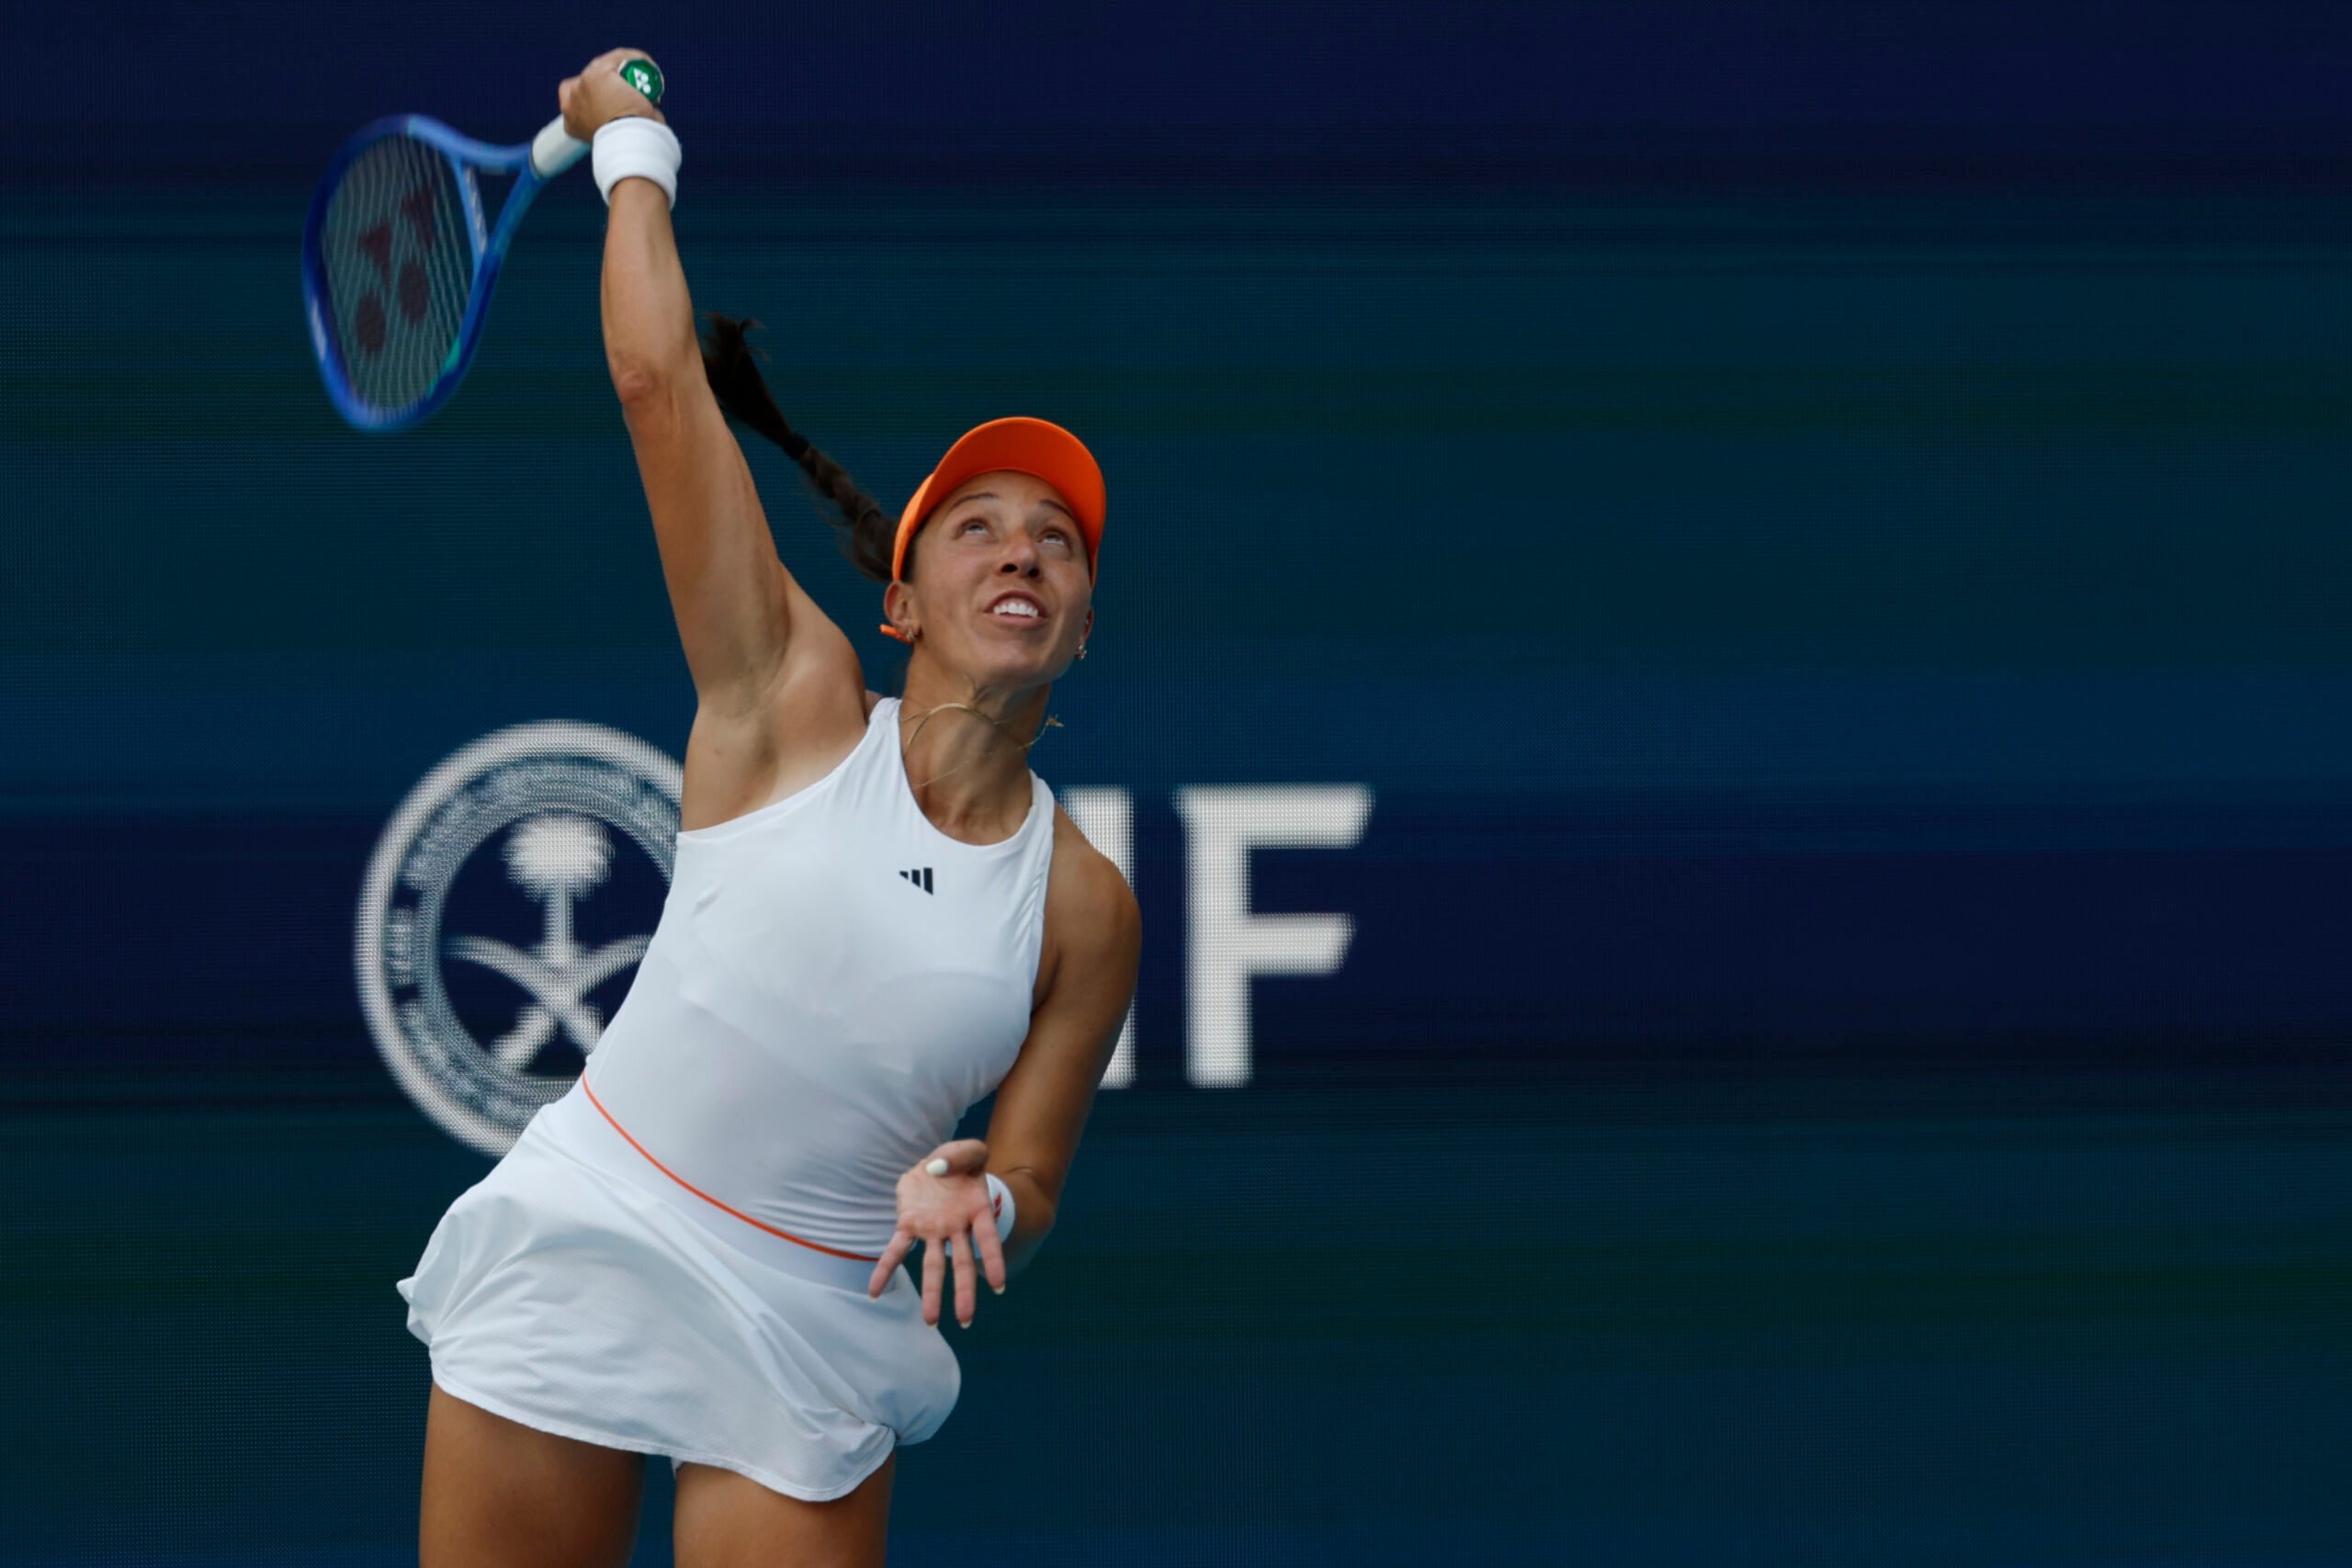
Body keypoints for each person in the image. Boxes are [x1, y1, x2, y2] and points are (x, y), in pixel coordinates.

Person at [397, 48, 1142, 1568]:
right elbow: (660, 384)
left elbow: (1040, 1176)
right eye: (980, 528)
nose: (1023, 552)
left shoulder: (1085, 905)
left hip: (814, 1311)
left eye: (1058, 542)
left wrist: (984, 1187)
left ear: (1077, 624)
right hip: (595, 1225)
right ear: (899, 603)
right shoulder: (786, 700)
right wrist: (635, 155)